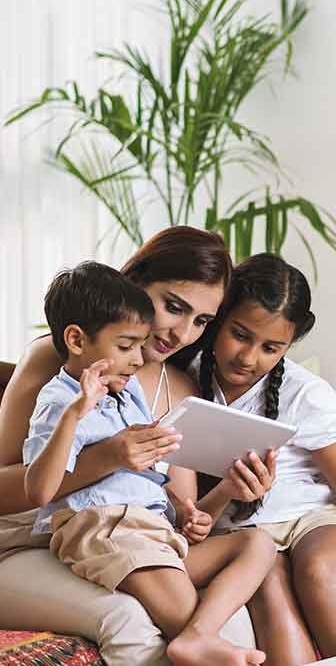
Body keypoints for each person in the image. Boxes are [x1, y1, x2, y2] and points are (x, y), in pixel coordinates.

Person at [0, 226, 274, 665]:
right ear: (136, 284)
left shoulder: (177, 389)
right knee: (130, 621)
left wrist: (228, 492)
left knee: (229, 621)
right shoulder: (60, 364)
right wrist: (108, 458)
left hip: (135, 540)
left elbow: (172, 514)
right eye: (174, 307)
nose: (182, 333)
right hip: (27, 543)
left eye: (201, 321)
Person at [186, 253, 336, 664]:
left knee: (321, 570)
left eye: (270, 347)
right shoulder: (183, 376)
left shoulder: (306, 395)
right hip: (247, 536)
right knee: (267, 581)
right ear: (219, 319)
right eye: (240, 335)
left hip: (317, 526)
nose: (248, 357)